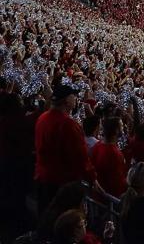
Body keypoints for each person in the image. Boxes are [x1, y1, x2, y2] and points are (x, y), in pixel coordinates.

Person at [34, 83, 97, 213]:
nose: (76, 98)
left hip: (42, 177)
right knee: (61, 223)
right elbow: (80, 158)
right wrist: (93, 179)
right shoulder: (68, 125)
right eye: (74, 95)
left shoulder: (43, 117)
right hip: (61, 184)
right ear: (67, 100)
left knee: (45, 217)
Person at [91, 116, 128, 197]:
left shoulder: (97, 145)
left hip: (98, 196)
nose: (124, 127)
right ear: (116, 130)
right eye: (121, 126)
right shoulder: (114, 153)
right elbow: (117, 182)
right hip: (108, 200)